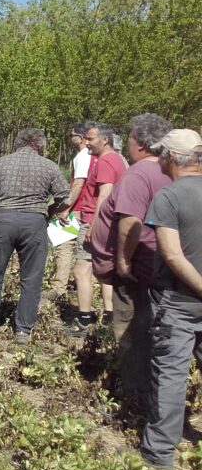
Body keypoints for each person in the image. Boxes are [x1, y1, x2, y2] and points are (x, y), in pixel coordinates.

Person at [86, 113, 171, 408]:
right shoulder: (170, 171)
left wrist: (123, 261)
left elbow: (130, 223)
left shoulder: (138, 174)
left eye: (131, 136)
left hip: (138, 269)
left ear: (142, 143)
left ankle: (134, 396)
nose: (129, 142)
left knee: (132, 330)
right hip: (160, 265)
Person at [139, 129, 202, 470]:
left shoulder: (169, 196)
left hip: (179, 300)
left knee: (171, 375)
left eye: (162, 154)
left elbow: (173, 256)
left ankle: (160, 454)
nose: (159, 159)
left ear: (172, 158)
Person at [0, 128, 68, 344]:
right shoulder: (49, 166)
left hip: (4, 220)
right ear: (40, 146)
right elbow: (64, 197)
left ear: (17, 143)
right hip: (35, 222)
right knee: (31, 278)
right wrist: (49, 212)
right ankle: (23, 331)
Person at [66, 123, 128, 338]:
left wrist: (93, 225)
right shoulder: (118, 159)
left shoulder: (105, 162)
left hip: (95, 221)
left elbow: (104, 195)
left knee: (81, 270)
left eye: (91, 138)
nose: (87, 143)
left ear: (105, 140)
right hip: (108, 222)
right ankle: (109, 316)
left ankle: (83, 319)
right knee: (104, 269)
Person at [43, 123, 93, 302]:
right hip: (88, 208)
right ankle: (84, 283)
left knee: (64, 245)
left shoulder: (83, 156)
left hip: (77, 208)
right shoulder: (95, 156)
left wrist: (66, 208)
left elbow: (78, 184)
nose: (70, 138)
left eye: (72, 135)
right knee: (85, 250)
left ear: (80, 138)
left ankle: (59, 288)